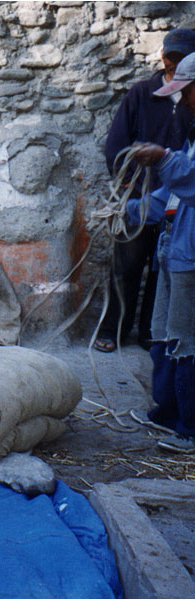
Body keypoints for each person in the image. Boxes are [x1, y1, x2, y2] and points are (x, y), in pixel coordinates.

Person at [95, 28, 194, 353]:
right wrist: (126, 189)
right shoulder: (142, 93)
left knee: (164, 268)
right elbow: (116, 144)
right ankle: (112, 331)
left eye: (181, 57)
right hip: (143, 193)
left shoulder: (188, 101)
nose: (172, 62)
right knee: (126, 266)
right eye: (171, 55)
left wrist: (166, 162)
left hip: (180, 201)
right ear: (163, 56)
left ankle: (152, 335)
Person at [129, 52, 194, 454]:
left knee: (188, 342)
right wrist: (129, 210)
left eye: (186, 93)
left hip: (192, 257)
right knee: (165, 334)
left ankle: (189, 427)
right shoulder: (191, 140)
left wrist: (165, 159)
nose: (181, 102)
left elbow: (188, 180)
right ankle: (167, 411)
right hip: (177, 250)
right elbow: (172, 196)